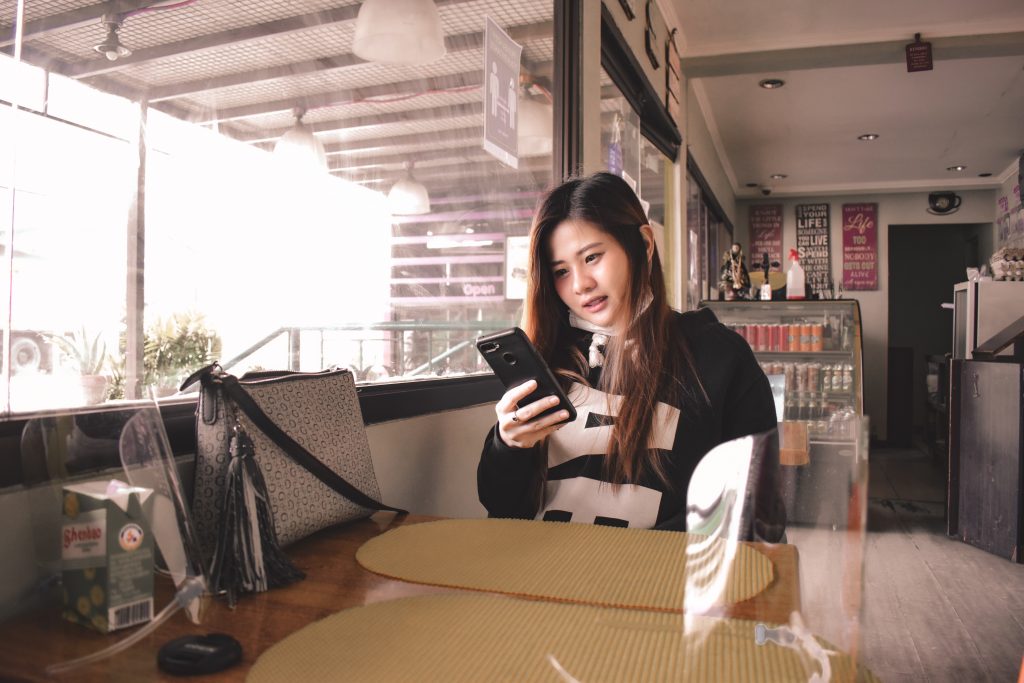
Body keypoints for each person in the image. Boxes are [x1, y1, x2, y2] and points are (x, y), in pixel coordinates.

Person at [477, 172, 784, 539]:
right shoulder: (547, 358)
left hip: (658, 583)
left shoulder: (718, 356)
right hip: (546, 576)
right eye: (560, 271)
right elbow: (504, 508)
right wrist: (508, 445)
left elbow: (754, 506)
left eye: (592, 257)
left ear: (643, 243)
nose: (580, 284)